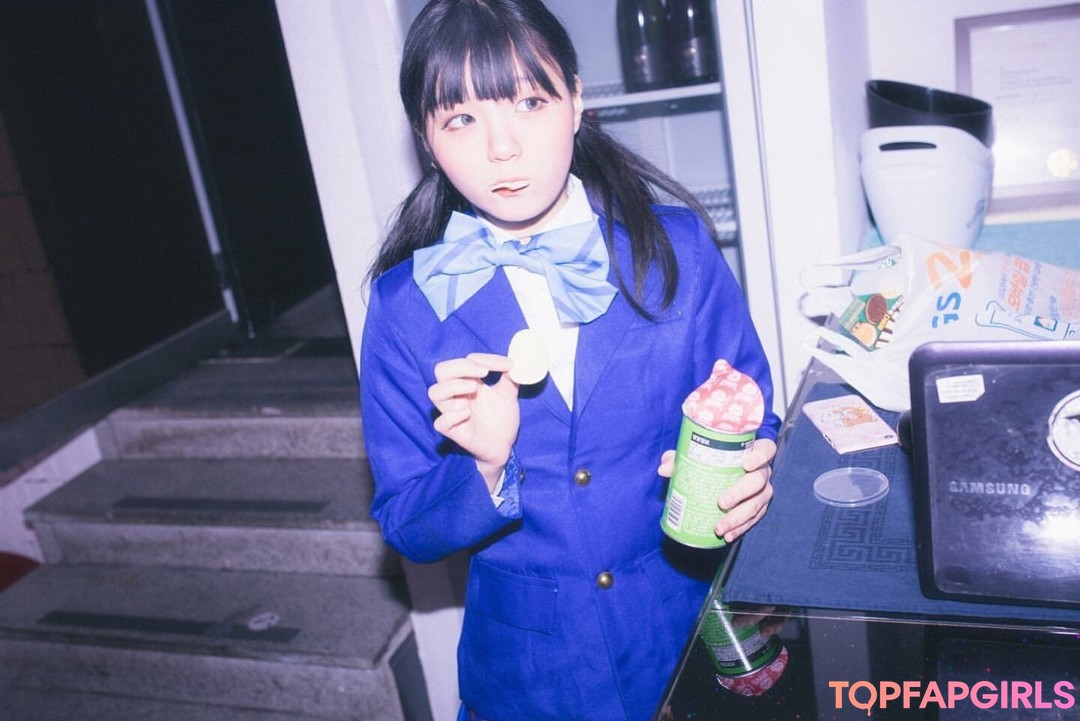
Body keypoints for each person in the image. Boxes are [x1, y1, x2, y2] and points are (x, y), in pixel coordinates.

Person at [359, 1, 781, 718]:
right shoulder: (405, 305)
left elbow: (752, 410)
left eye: (529, 102)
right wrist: (484, 467)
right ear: (426, 140)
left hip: (687, 636)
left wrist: (749, 473)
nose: (502, 148)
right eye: (461, 118)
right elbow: (407, 526)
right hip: (531, 680)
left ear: (576, 100)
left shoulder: (676, 250)